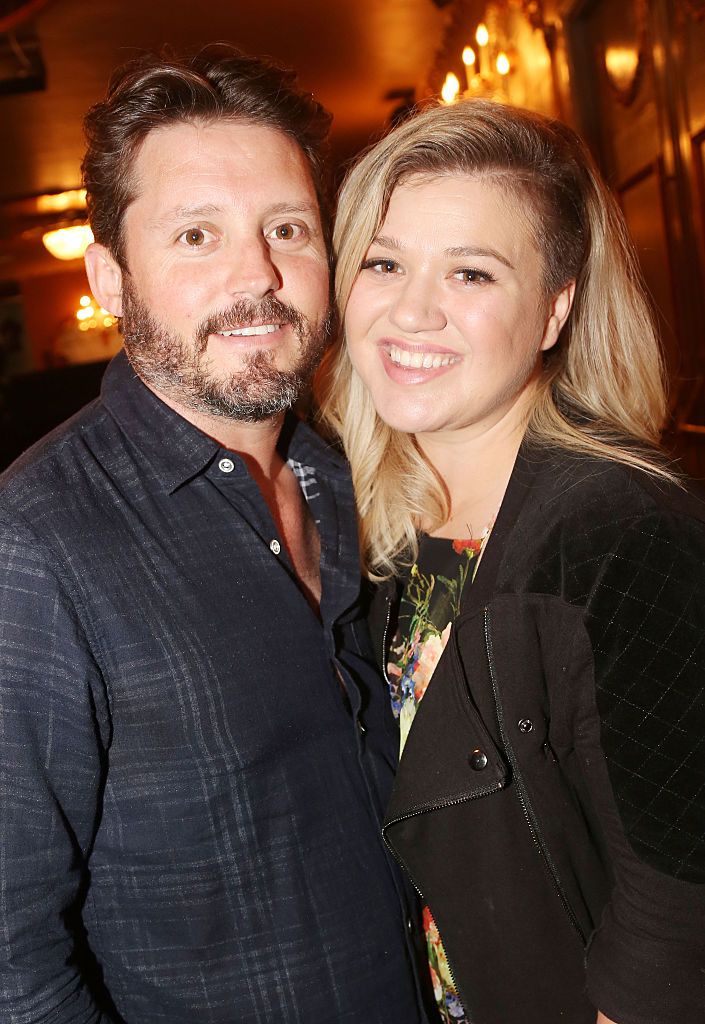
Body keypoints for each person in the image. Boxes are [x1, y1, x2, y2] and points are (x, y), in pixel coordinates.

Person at [0, 47, 429, 1024]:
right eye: (197, 235)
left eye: (288, 227)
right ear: (109, 277)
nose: (259, 274)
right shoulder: (33, 545)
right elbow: (13, 969)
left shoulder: (354, 477)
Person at [318, 98, 705, 1024]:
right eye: (384, 261)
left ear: (552, 310)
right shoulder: (374, 520)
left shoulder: (621, 532)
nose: (412, 311)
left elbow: (678, 895)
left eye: (471, 273)